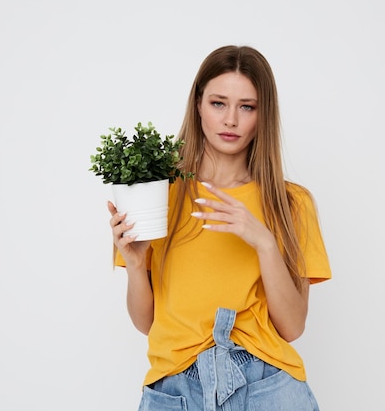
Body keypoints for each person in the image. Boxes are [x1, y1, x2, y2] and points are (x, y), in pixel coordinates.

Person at [107, 45, 332, 411]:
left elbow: (292, 327)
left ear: (263, 115)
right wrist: (134, 264)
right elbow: (146, 323)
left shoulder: (290, 203)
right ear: (198, 105)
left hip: (266, 385)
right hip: (175, 389)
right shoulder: (157, 194)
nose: (231, 120)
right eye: (218, 103)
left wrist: (264, 242)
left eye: (247, 106)